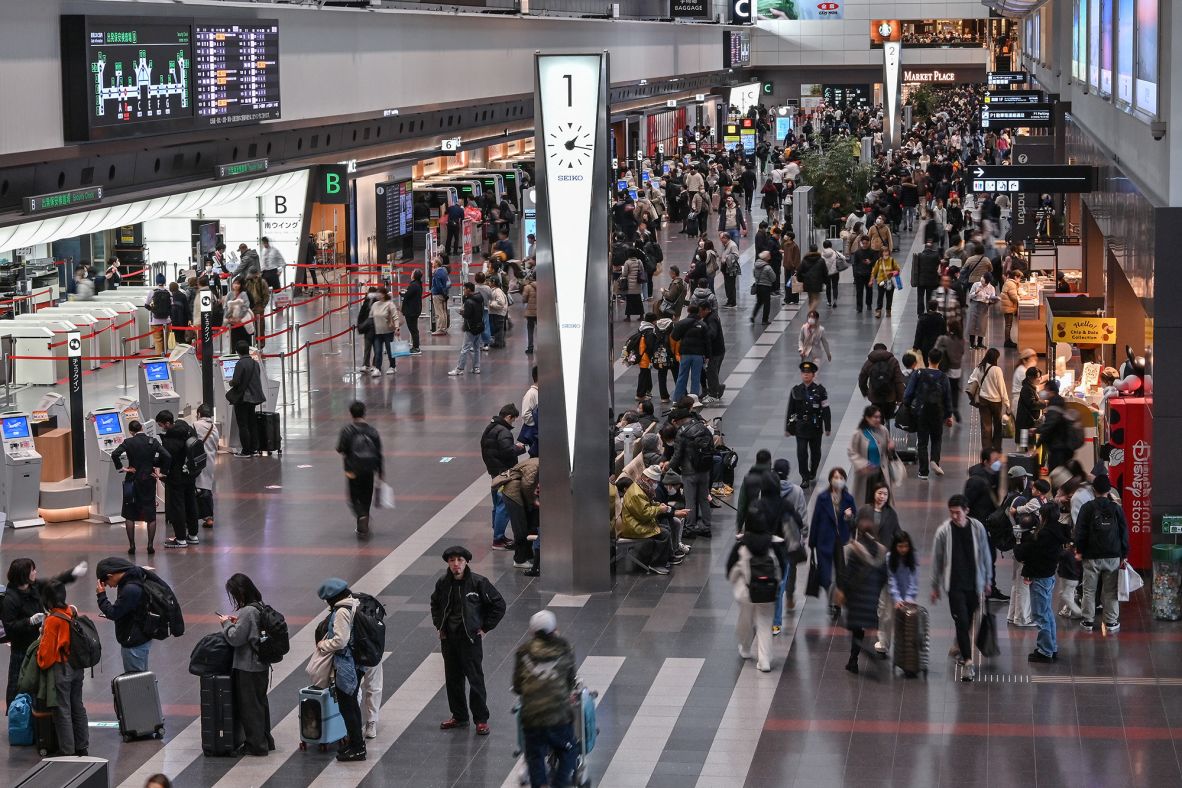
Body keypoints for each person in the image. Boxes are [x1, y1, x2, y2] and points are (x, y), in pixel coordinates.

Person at [431, 546, 506, 736]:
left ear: (466, 562)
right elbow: (435, 604)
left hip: (470, 639)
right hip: (449, 639)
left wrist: (485, 627)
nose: (456, 564)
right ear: (448, 563)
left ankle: (481, 719)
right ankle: (459, 716)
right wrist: (439, 625)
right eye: (452, 560)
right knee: (453, 679)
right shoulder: (443, 583)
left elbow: (499, 604)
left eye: (460, 560)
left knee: (475, 679)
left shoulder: (478, 582)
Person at [2, 559, 87, 705]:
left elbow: (54, 582)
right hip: (22, 649)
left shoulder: (34, 586)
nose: (35, 572)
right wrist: (29, 621)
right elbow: (10, 627)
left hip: (39, 644)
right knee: (20, 684)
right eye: (32, 570)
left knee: (38, 684)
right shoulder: (10, 599)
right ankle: (18, 711)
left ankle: (37, 710)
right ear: (24, 574)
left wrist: (72, 573)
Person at [929, 496, 993, 682]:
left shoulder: (977, 528)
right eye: (951, 513)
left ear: (966, 511)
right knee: (962, 622)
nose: (955, 516)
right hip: (955, 585)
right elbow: (936, 559)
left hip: (974, 584)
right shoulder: (943, 532)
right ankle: (968, 662)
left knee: (969, 619)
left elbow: (985, 554)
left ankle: (959, 643)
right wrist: (935, 585)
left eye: (958, 512)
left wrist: (988, 580)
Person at [512, 610, 578, 788]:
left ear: (532, 632)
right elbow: (570, 681)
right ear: (555, 630)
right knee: (569, 750)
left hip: (532, 717)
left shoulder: (523, 651)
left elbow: (517, 686)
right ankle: (559, 784)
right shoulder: (565, 648)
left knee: (535, 756)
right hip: (559, 716)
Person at [217, 573, 276, 756]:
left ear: (241, 592)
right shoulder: (259, 606)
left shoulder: (247, 611)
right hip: (261, 665)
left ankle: (256, 745)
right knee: (260, 704)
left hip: (248, 666)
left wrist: (226, 624)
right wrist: (238, 623)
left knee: (250, 707)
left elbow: (235, 638)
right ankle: (265, 740)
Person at [726, 508, 788, 673]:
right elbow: (782, 567)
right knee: (765, 624)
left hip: (746, 592)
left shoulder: (742, 544)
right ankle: (764, 660)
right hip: (767, 592)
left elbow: (730, 568)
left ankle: (745, 648)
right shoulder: (773, 544)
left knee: (745, 621)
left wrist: (735, 580)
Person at [35, 578, 89, 756]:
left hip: (62, 668)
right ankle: (82, 745)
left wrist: (39, 656)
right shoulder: (70, 612)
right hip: (77, 666)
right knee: (77, 705)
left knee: (62, 710)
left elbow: (46, 656)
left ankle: (67, 750)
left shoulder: (52, 620)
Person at [313, 578, 365, 761]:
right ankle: (355, 743)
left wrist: (323, 645)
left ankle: (357, 748)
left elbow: (341, 641)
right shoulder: (354, 604)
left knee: (348, 707)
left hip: (346, 665)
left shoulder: (342, 611)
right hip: (356, 663)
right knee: (351, 706)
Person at [1015, 495, 1071, 663]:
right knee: (1047, 613)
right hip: (1048, 575)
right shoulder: (1057, 532)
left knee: (1040, 615)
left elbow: (1027, 553)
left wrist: (1019, 543)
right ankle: (1051, 647)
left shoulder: (1044, 535)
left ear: (1044, 516)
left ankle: (1045, 651)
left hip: (1039, 577)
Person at [1074, 473, 1129, 633]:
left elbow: (1080, 532)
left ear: (1093, 489)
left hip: (1091, 555)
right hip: (1113, 555)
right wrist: (1124, 554)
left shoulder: (1087, 507)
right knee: (1110, 590)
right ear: (1109, 490)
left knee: (1089, 590)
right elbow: (1124, 532)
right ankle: (1111, 622)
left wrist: (1079, 550)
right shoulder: (1116, 508)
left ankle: (1088, 621)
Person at [838, 508, 888, 675]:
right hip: (871, 597)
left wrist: (843, 592)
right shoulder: (881, 550)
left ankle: (855, 657)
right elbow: (884, 576)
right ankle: (854, 658)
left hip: (856, 597)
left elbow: (847, 574)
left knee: (856, 629)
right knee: (863, 627)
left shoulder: (855, 550)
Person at [110, 419, 169, 554]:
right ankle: (150, 545)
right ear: (142, 428)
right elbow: (167, 455)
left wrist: (123, 469)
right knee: (150, 514)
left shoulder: (128, 442)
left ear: (131, 431)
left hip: (132, 479)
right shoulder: (152, 441)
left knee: (129, 513)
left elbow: (115, 454)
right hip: (148, 479)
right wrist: (162, 473)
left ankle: (132, 546)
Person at [95, 557, 157, 673]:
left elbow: (113, 613)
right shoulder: (135, 576)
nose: (110, 586)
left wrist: (101, 596)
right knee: (142, 676)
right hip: (142, 635)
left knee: (135, 679)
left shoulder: (130, 589)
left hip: (134, 640)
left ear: (110, 576)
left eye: (107, 583)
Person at [809, 468, 855, 619]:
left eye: (841, 477)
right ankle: (833, 597)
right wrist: (812, 542)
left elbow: (854, 521)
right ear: (830, 479)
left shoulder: (848, 499)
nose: (838, 480)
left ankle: (837, 604)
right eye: (835, 477)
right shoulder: (823, 498)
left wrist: (849, 517)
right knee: (825, 575)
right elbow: (815, 520)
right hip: (824, 540)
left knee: (841, 574)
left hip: (841, 541)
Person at [617, 466, 681, 574]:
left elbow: (648, 504)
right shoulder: (636, 493)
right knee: (664, 534)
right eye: (654, 482)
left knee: (665, 528)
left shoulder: (640, 488)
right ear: (647, 479)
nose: (655, 484)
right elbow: (644, 514)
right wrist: (659, 509)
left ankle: (667, 557)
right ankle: (656, 564)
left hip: (637, 522)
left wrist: (658, 505)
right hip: (634, 527)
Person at [903, 348, 953, 480]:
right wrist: (948, 415)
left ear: (928, 359)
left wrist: (907, 406)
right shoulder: (943, 377)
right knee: (936, 439)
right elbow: (947, 397)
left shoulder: (918, 373)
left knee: (922, 442)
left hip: (922, 412)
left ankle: (923, 472)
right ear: (940, 361)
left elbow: (908, 393)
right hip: (938, 413)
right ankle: (934, 461)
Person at [336, 401, 385, 537]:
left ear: (351, 414)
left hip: (352, 469)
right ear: (364, 413)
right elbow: (378, 452)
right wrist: (380, 471)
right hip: (369, 469)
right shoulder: (372, 431)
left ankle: (361, 515)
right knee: (366, 495)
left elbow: (340, 448)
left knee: (353, 496)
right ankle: (364, 522)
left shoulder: (347, 430)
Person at [666, 409, 715, 539]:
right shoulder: (703, 427)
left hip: (689, 472)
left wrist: (668, 467)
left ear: (679, 420)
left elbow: (677, 455)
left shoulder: (682, 433)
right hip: (705, 469)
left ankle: (690, 528)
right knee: (704, 499)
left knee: (690, 501)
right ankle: (706, 527)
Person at [481, 404, 524, 550]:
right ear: (508, 417)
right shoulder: (503, 431)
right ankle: (498, 539)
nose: (513, 422)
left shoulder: (490, 428)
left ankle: (498, 535)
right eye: (513, 419)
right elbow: (508, 452)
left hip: (494, 472)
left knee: (497, 504)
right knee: (503, 505)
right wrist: (519, 448)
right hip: (504, 473)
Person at [155, 410, 200, 549]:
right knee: (191, 503)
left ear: (168, 423)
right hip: (190, 473)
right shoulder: (187, 428)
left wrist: (150, 461)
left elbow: (166, 459)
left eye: (161, 425)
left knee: (177, 507)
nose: (161, 428)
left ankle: (180, 539)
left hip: (176, 477)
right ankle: (193, 535)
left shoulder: (171, 439)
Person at [785, 361, 831, 488]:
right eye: (803, 373)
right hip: (801, 427)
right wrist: (788, 427)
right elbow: (790, 409)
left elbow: (826, 409)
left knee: (816, 453)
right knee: (801, 453)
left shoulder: (820, 391)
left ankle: (813, 471)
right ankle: (804, 477)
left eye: (808, 373)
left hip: (815, 427)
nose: (805, 375)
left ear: (813, 375)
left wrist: (827, 426)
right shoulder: (795, 390)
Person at [846, 405, 895, 505]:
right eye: (875, 417)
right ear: (867, 418)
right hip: (866, 474)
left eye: (879, 417)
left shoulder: (883, 431)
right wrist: (863, 464)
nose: (878, 420)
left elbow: (887, 453)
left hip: (881, 472)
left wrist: (891, 448)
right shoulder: (858, 433)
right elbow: (851, 452)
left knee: (882, 499)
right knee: (866, 500)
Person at [880, 530, 918, 657]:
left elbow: (914, 579)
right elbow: (892, 580)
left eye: (906, 546)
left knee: (907, 622)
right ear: (895, 546)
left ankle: (905, 649)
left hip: (907, 593)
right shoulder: (889, 557)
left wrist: (909, 597)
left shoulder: (913, 557)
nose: (903, 549)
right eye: (900, 546)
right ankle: (884, 645)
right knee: (887, 618)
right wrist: (897, 599)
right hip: (890, 593)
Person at [499, 457, 540, 571]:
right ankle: (519, 560)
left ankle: (527, 555)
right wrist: (533, 501)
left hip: (518, 494)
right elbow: (527, 485)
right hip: (513, 495)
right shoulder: (535, 466)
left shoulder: (537, 462)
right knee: (520, 529)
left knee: (527, 526)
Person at [226, 341, 265, 457]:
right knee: (252, 423)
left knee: (243, 425)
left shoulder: (240, 364)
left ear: (237, 352)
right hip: (254, 397)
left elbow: (236, 381)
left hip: (243, 398)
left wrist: (230, 383)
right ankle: (254, 448)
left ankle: (246, 451)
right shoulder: (255, 363)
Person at [970, 348, 1009, 454]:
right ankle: (996, 449)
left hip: (983, 401)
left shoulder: (979, 368)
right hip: (996, 402)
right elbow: (1002, 387)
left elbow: (971, 381)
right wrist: (1007, 403)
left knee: (986, 427)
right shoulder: (997, 370)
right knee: (997, 426)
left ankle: (986, 451)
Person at [931, 320, 967, 423]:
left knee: (945, 391)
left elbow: (935, 349)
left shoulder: (944, 339)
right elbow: (962, 352)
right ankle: (955, 408)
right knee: (955, 390)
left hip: (947, 369)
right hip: (957, 369)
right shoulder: (962, 340)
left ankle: (945, 412)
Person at [670, 305, 708, 401]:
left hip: (685, 353)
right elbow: (707, 341)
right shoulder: (702, 324)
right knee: (696, 377)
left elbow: (674, 337)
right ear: (698, 312)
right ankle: (693, 400)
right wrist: (708, 355)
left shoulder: (681, 323)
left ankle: (677, 399)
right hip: (698, 354)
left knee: (682, 376)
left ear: (688, 311)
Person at [449, 282, 485, 376]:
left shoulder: (469, 302)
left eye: (464, 289)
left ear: (469, 289)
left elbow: (467, 315)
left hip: (470, 327)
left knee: (465, 349)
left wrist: (462, 312)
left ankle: (459, 368)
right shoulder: (480, 298)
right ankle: (476, 367)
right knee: (476, 348)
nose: (464, 291)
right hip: (479, 326)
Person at [192, 404, 219, 530]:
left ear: (199, 414)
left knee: (197, 488)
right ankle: (209, 518)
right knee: (207, 486)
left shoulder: (196, 425)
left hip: (198, 460)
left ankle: (194, 517)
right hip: (210, 460)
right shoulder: (214, 427)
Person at [965, 273, 998, 349]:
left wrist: (992, 299)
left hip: (984, 306)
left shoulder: (991, 288)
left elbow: (992, 299)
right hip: (974, 304)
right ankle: (972, 343)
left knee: (982, 325)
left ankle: (980, 343)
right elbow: (970, 296)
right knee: (972, 323)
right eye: (983, 281)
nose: (984, 284)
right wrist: (976, 292)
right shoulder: (976, 284)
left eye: (985, 283)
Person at [850, 235, 879, 314]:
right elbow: (855, 263)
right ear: (861, 243)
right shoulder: (857, 252)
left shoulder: (872, 252)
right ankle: (859, 307)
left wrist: (870, 262)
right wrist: (855, 274)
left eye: (866, 243)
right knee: (859, 291)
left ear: (869, 243)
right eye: (863, 243)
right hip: (859, 274)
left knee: (869, 290)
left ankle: (869, 304)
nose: (865, 245)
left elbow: (876, 262)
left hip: (869, 274)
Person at [144, 274, 173, 354]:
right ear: (164, 282)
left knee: (158, 341)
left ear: (156, 282)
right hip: (166, 321)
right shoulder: (168, 292)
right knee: (165, 341)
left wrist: (153, 310)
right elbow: (172, 305)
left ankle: (159, 358)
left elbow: (146, 305)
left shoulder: (152, 292)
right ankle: (165, 356)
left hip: (155, 321)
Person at [912, 300, 946, 367]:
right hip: (937, 345)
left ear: (928, 307)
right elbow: (944, 333)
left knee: (926, 363)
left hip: (925, 346)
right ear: (936, 307)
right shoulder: (941, 319)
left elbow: (918, 334)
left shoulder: (922, 319)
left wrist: (915, 347)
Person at [871, 250, 901, 319]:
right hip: (881, 282)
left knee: (889, 297)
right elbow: (874, 271)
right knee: (880, 297)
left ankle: (888, 310)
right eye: (884, 252)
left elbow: (898, 270)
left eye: (887, 252)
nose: (886, 253)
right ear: (881, 253)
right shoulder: (879, 261)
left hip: (890, 282)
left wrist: (892, 273)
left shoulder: (892, 260)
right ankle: (878, 310)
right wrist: (871, 280)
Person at [401, 269, 424, 355]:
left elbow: (407, 295)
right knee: (414, 329)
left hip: (411, 311)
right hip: (415, 309)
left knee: (413, 329)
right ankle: (415, 346)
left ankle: (416, 347)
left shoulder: (414, 285)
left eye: (412, 273)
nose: (411, 274)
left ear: (414, 275)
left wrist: (403, 293)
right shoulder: (418, 284)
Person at [750, 252, 776, 324]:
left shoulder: (756, 266)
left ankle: (753, 316)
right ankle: (765, 320)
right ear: (766, 258)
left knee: (759, 302)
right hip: (766, 287)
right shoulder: (768, 267)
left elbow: (754, 274)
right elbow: (773, 278)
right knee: (767, 303)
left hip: (758, 286)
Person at [999, 269, 1022, 348]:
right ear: (1015, 277)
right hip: (1008, 307)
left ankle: (1008, 340)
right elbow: (1014, 297)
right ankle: (1007, 341)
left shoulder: (1009, 282)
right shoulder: (1011, 284)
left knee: (1008, 324)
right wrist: (1020, 298)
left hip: (1007, 306)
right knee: (1008, 325)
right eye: (1019, 278)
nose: (1020, 280)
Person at [431, 257, 452, 335]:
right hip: (444, 294)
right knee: (443, 312)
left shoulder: (436, 273)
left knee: (439, 312)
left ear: (437, 263)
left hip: (438, 294)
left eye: (433, 262)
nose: (432, 263)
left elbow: (438, 286)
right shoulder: (444, 271)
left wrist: (441, 292)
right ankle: (444, 328)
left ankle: (440, 329)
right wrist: (445, 293)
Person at [521, 270, 537, 354]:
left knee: (530, 330)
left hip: (531, 312)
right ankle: (544, 347)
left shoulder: (527, 287)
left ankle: (530, 347)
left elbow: (524, 299)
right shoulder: (545, 286)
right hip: (542, 312)